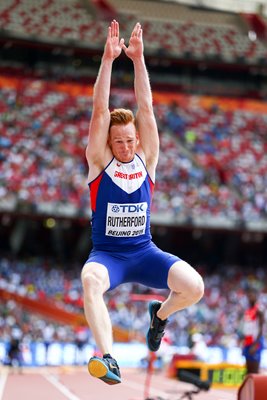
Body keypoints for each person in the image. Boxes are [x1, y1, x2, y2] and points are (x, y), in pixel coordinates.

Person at [81, 20, 204, 385]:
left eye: (130, 140)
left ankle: (160, 316)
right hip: (109, 256)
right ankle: (107, 358)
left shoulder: (146, 157)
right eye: (119, 142)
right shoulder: (98, 160)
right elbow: (100, 112)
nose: (126, 147)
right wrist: (108, 60)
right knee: (89, 281)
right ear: (109, 143)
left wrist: (137, 59)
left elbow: (146, 107)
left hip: (145, 252)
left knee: (194, 287)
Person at [242, 287, 264, 374]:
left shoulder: (259, 310)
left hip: (255, 342)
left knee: (254, 371)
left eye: (252, 295)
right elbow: (247, 328)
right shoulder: (247, 311)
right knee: (248, 371)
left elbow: (261, 328)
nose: (249, 297)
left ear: (256, 296)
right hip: (247, 341)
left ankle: (257, 387)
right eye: (248, 295)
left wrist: (255, 344)